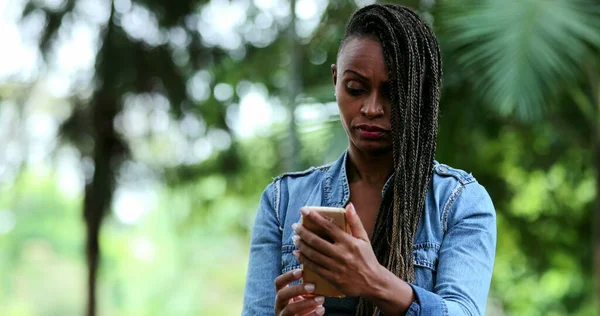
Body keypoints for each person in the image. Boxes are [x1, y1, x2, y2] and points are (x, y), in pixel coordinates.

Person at [242, 3, 496, 316]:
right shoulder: (282, 201)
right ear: (336, 80)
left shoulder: (459, 203)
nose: (372, 108)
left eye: (392, 93)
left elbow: (464, 311)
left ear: (419, 94)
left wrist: (373, 280)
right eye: (356, 89)